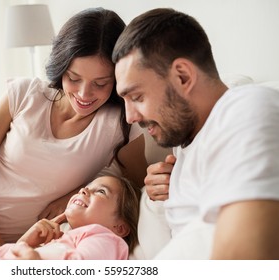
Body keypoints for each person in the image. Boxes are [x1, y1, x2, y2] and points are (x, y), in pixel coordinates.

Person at [0, 7, 149, 259]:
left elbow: (134, 190)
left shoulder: (120, 124)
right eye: (74, 78)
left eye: (100, 83)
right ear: (61, 66)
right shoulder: (25, 94)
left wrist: (72, 194)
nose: (84, 94)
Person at [112, 8, 279, 259]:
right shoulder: (186, 140)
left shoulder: (247, 109)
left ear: (183, 76)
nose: (130, 117)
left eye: (137, 97)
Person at [0, 175, 141, 260]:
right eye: (87, 186)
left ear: (119, 227)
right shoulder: (61, 240)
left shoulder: (105, 239)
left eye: (101, 191)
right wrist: (24, 242)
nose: (84, 190)